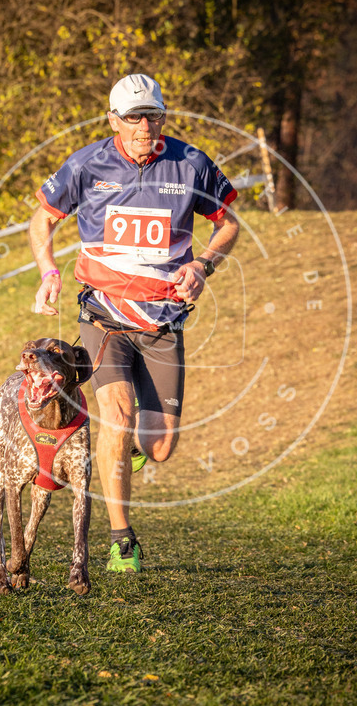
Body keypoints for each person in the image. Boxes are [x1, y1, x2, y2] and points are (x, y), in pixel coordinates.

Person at [29, 73, 239, 572]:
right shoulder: (86, 164)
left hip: (163, 321)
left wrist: (202, 265)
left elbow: (229, 222)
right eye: (134, 117)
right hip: (102, 316)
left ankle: (133, 448)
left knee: (161, 447)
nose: (145, 126)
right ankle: (122, 540)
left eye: (154, 115)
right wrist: (49, 270)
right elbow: (42, 218)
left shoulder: (190, 164)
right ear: (114, 120)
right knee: (116, 416)